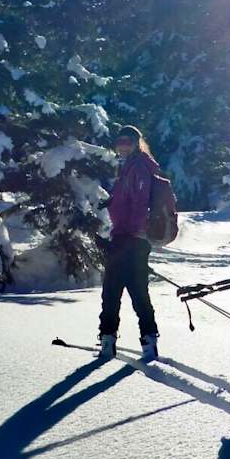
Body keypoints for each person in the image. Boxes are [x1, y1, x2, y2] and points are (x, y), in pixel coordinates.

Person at [98, 125, 161, 361]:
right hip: (126, 237)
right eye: (120, 141)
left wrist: (127, 236)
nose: (123, 145)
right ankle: (143, 341)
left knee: (119, 291)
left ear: (136, 143)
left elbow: (140, 205)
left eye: (128, 141)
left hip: (132, 240)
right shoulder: (128, 166)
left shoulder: (140, 167)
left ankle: (111, 340)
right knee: (131, 292)